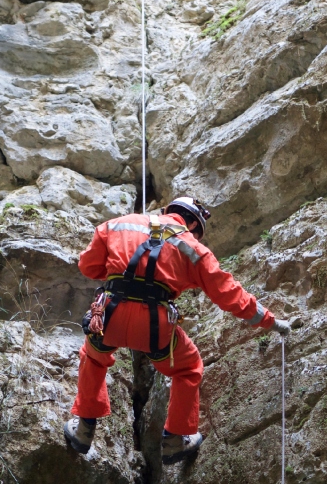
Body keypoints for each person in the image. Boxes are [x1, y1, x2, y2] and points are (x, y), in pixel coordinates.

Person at [64, 196, 290, 463]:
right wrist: (272, 322)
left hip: (109, 315)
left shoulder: (117, 224)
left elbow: (88, 266)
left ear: (170, 210)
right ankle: (174, 440)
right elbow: (231, 295)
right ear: (193, 223)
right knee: (188, 368)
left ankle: (84, 430)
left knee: (93, 357)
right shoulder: (194, 248)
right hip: (154, 325)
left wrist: (120, 272)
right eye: (197, 231)